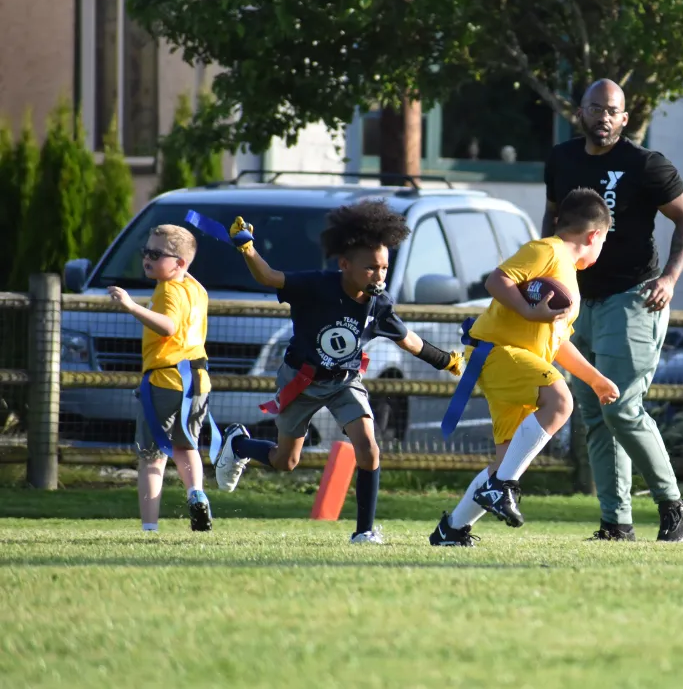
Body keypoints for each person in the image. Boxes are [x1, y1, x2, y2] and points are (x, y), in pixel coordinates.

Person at [212, 200, 461, 544]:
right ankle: (238, 443)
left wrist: (446, 360)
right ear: (345, 264)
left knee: (369, 448)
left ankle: (363, 532)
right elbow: (269, 276)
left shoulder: (380, 303)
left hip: (345, 382)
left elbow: (409, 340)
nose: (379, 275)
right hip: (301, 381)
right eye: (371, 268)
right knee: (286, 462)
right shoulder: (316, 286)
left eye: (384, 268)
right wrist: (248, 248)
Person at [543, 79, 683, 542]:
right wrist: (547, 275)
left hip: (632, 298)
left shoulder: (646, 164)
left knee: (623, 408)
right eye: (597, 108)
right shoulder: (561, 159)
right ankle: (617, 523)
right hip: (576, 301)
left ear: (625, 118)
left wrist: (669, 278)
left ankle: (675, 508)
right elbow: (552, 221)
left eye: (613, 111)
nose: (605, 117)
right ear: (581, 113)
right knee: (594, 414)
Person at [430, 189, 619, 546]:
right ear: (595, 235)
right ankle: (502, 488)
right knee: (561, 402)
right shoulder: (547, 250)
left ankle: (451, 530)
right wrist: (528, 310)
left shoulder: (570, 278)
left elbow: (558, 341)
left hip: (520, 365)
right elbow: (496, 280)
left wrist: (594, 379)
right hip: (498, 353)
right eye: (604, 241)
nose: (601, 248)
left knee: (505, 461)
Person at [108, 224, 214, 533]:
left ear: (179, 263)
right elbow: (188, 270)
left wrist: (130, 306)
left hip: (166, 382)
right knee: (186, 447)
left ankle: (150, 527)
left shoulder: (168, 290)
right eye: (146, 252)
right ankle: (196, 493)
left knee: (151, 458)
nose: (147, 259)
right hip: (197, 383)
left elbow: (167, 326)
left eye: (156, 254)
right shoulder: (196, 289)